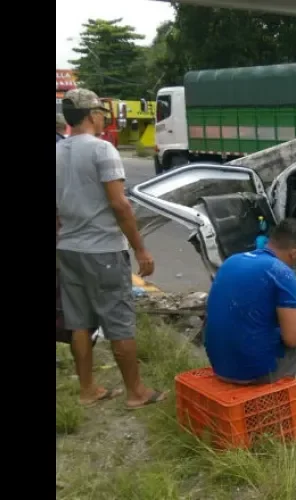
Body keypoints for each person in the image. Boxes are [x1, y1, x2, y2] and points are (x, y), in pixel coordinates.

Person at [56, 88, 165, 410]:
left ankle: (88, 389)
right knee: (118, 321)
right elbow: (120, 205)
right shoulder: (102, 150)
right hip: (102, 250)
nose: (103, 117)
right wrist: (141, 250)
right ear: (92, 115)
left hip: (68, 249)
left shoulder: (58, 151)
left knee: (78, 322)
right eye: (101, 112)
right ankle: (136, 392)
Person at [204, 219, 296, 434]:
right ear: (294, 252)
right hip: (251, 371)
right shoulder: (281, 272)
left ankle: (284, 396)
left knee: (272, 331)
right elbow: (294, 339)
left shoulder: (233, 261)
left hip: (220, 365)